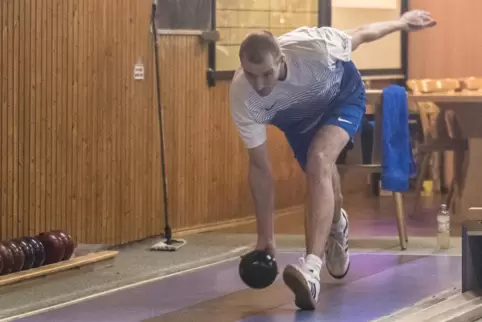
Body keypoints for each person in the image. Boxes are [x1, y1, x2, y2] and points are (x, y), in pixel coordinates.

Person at [229, 10, 436, 310]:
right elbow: (260, 169)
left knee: (319, 158)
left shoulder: (315, 47)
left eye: (266, 74)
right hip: (299, 123)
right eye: (251, 74)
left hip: (343, 96)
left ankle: (311, 269)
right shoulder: (242, 94)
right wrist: (266, 237)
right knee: (325, 182)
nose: (259, 84)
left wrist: (402, 22)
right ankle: (337, 223)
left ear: (281, 60)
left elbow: (364, 31)